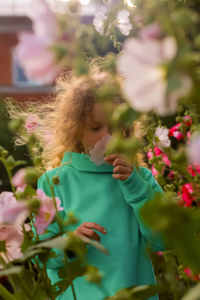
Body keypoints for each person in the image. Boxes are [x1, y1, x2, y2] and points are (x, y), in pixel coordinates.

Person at [14, 68, 166, 300]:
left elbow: (162, 240)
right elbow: (40, 256)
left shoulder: (141, 178)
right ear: (76, 131)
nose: (108, 136)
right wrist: (71, 243)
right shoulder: (56, 182)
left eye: (116, 126)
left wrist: (134, 186)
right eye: (96, 128)